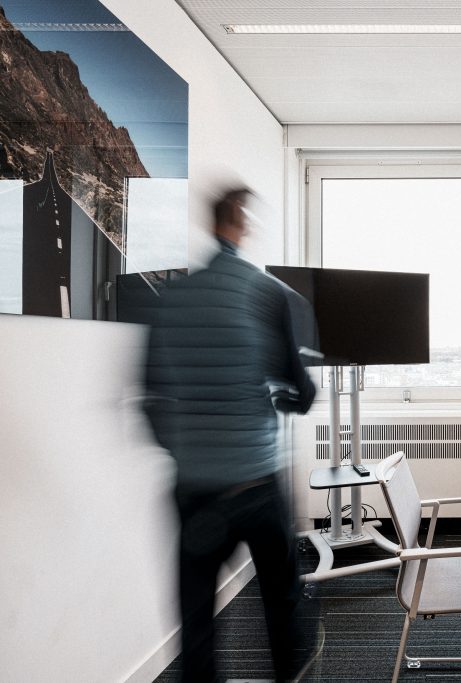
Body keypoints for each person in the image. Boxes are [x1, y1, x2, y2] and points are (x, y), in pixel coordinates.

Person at [144, 188, 319, 682]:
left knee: (197, 623)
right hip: (257, 484)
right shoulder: (268, 294)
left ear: (209, 223)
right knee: (283, 606)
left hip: (195, 490)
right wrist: (278, 398)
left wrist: (186, 449)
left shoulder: (171, 299)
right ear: (241, 224)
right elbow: (302, 395)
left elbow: (149, 399)